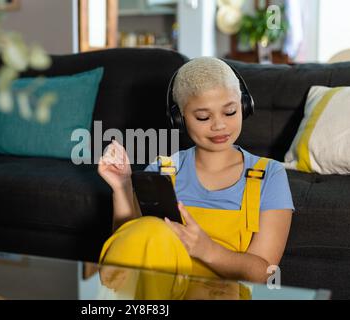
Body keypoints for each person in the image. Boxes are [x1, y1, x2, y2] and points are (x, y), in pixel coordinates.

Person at [97, 57, 294, 288]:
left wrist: (206, 250)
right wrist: (122, 187)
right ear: (179, 117)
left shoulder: (270, 174)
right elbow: (131, 249)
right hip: (159, 290)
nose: (219, 125)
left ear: (244, 106)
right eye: (203, 117)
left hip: (222, 293)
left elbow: (265, 272)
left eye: (230, 112)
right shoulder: (163, 169)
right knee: (145, 231)